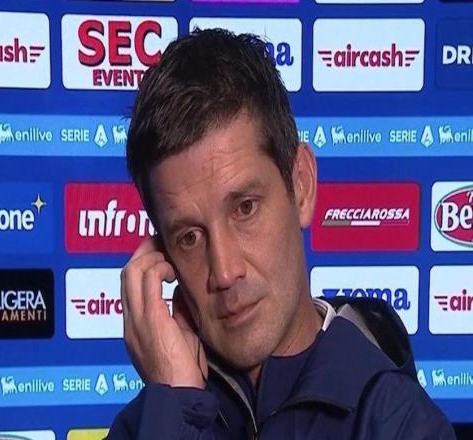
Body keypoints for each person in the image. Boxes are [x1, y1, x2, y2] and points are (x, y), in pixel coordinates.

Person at [108, 28, 455, 439]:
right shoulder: (148, 423)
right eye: (190, 238)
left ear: (301, 186)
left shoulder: (400, 423)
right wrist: (177, 406)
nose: (225, 272)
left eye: (245, 208)